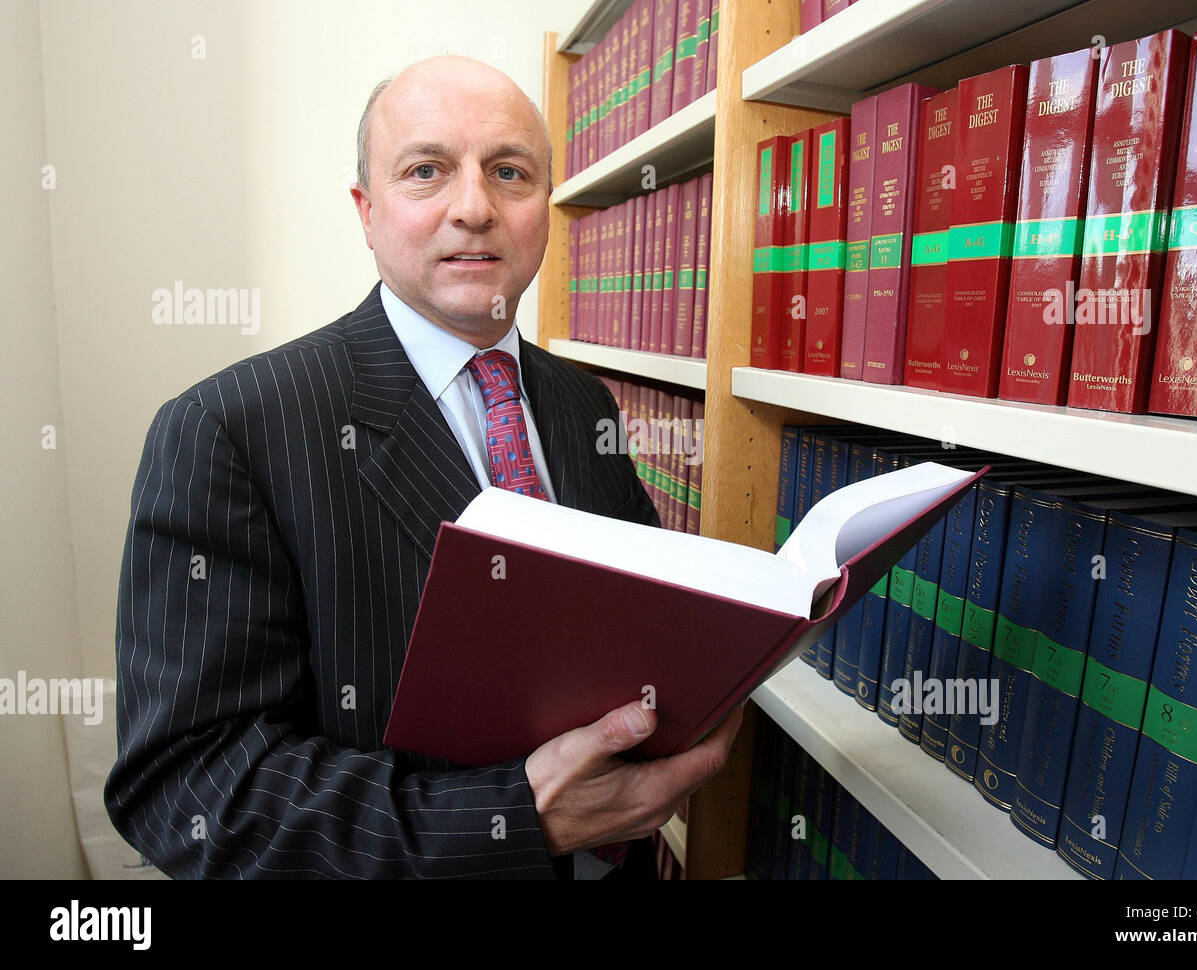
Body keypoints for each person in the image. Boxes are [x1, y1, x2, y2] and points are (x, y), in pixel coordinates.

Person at [105, 55, 743, 879]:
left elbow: (639, 629)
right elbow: (186, 791)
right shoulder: (227, 430)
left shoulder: (586, 403)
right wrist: (511, 821)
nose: (474, 208)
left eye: (509, 172)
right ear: (367, 212)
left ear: (545, 209)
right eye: (426, 171)